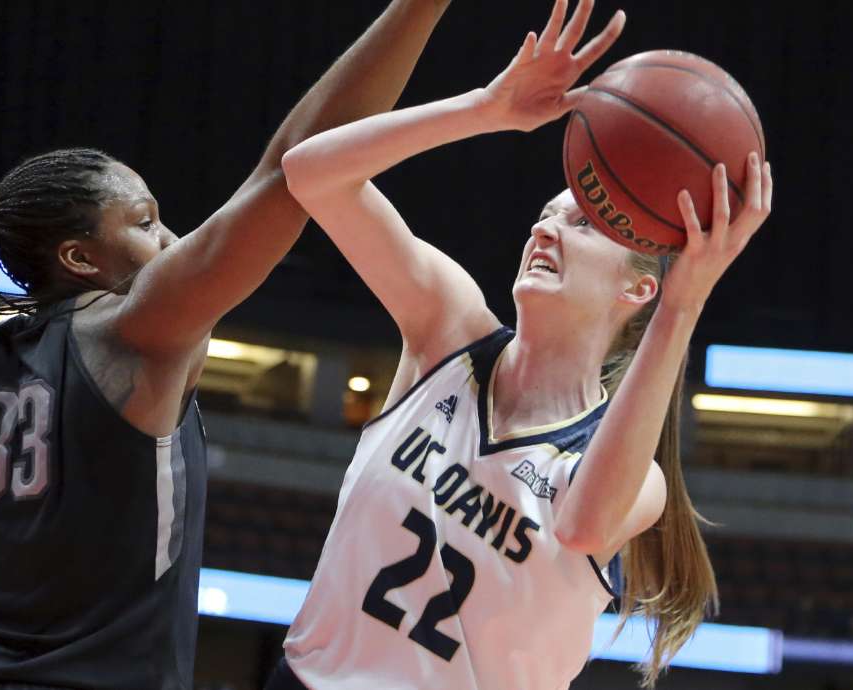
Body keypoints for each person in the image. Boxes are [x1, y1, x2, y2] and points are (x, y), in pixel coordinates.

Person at [0, 3, 453, 688]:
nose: (170, 238)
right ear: (80, 258)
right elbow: (294, 167)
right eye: (145, 222)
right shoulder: (134, 332)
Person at [271, 1, 773, 688]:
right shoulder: (448, 332)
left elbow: (584, 528)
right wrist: (485, 109)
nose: (545, 228)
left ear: (638, 289)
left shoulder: (630, 477)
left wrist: (684, 304)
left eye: (583, 224)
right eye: (545, 214)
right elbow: (308, 173)